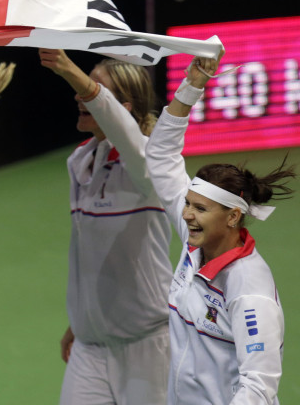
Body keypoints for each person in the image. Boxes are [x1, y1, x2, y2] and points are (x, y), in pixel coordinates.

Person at [145, 55, 291, 404]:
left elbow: (258, 387)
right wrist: (191, 85)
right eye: (188, 204)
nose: (187, 215)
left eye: (200, 208)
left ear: (232, 217)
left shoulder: (248, 290)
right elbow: (161, 156)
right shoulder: (195, 244)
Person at [39, 48, 173, 404]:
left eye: (94, 88)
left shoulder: (148, 163)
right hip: (91, 345)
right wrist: (82, 319)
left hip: (147, 345)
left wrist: (67, 67)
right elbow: (92, 254)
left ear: (124, 107)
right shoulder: (80, 161)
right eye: (84, 85)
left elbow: (128, 138)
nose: (79, 94)